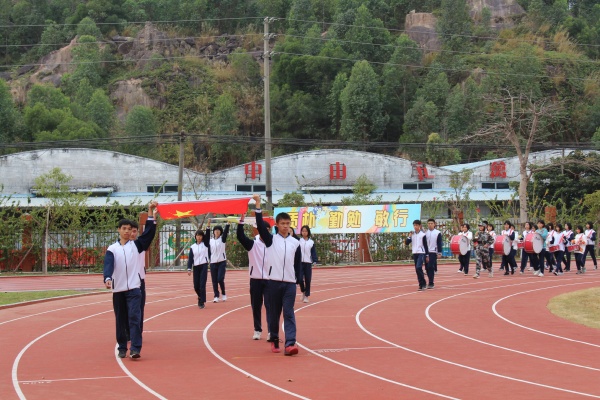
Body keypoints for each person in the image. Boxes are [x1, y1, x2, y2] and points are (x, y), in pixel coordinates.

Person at [103, 201, 157, 359]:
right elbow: (108, 264)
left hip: (134, 288)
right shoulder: (112, 249)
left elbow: (149, 234)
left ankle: (135, 348)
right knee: (121, 320)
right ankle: (122, 347)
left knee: (134, 317)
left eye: (129, 229)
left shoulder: (136, 246)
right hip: (118, 290)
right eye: (124, 228)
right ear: (119, 230)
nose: (127, 231)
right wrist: (107, 278)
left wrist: (150, 213)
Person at [253, 194, 301, 356]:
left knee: (289, 312)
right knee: (274, 314)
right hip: (273, 283)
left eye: (288, 223)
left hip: (289, 284)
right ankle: (274, 338)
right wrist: (258, 205)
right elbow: (260, 226)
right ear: (277, 225)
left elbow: (297, 264)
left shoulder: (296, 243)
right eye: (282, 224)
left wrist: (298, 280)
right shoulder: (271, 240)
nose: (285, 226)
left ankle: (290, 343)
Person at [237, 214, 271, 340]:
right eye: (263, 230)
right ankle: (257, 329)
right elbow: (240, 236)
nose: (265, 233)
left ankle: (271, 331)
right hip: (255, 279)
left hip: (270, 280)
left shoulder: (273, 244)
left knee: (270, 306)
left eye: (267, 230)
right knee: (256, 306)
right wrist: (241, 221)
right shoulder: (253, 244)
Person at [187, 227, 211, 309]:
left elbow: (208, 235)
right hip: (196, 267)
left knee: (202, 285)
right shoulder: (192, 247)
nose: (199, 237)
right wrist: (189, 268)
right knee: (196, 286)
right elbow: (190, 258)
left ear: (203, 237)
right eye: (197, 235)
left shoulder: (205, 244)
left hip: (204, 265)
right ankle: (200, 296)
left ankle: (201, 302)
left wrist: (208, 227)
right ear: (195, 236)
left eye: (200, 236)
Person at [405, 220, 430, 290]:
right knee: (417, 269)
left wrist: (427, 255)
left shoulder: (423, 235)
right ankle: (421, 284)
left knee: (419, 267)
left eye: (416, 225)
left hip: (421, 253)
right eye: (414, 225)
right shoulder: (412, 234)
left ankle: (423, 283)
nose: (415, 227)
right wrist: (409, 236)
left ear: (419, 226)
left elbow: (425, 246)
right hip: (415, 253)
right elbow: (407, 243)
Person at [209, 222, 230, 302]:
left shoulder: (222, 239)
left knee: (220, 279)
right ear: (213, 232)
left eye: (218, 230)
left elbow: (225, 233)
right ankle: (216, 296)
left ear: (221, 232)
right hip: (213, 262)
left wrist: (227, 224)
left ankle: (223, 293)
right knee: (214, 280)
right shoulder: (210, 241)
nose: (217, 232)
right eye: (215, 230)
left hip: (221, 262)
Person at [298, 225, 318, 303]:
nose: (304, 232)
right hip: (300, 262)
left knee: (308, 280)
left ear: (308, 232)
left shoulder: (311, 242)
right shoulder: (298, 241)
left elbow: (313, 252)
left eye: (306, 231)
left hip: (308, 263)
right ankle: (303, 291)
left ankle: (306, 295)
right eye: (303, 231)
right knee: (299, 279)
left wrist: (314, 261)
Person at [425, 218, 442, 284]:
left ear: (434, 224)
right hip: (426, 252)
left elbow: (439, 243)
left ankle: (431, 282)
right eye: (429, 223)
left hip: (433, 252)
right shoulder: (425, 233)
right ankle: (430, 279)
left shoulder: (437, 233)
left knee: (430, 266)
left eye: (431, 223)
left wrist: (439, 252)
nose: (430, 225)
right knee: (427, 268)